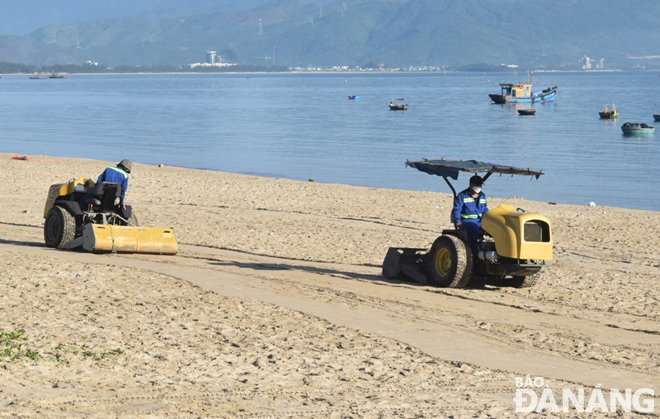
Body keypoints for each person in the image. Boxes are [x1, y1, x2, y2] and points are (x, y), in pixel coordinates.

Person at [451, 175, 489, 244]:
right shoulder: (462, 195)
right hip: (467, 222)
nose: (479, 187)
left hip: (480, 221)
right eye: (477, 185)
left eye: (480, 185)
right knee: (473, 227)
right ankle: (475, 250)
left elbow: (485, 209)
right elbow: (457, 209)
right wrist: (457, 222)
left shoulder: (482, 195)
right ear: (471, 184)